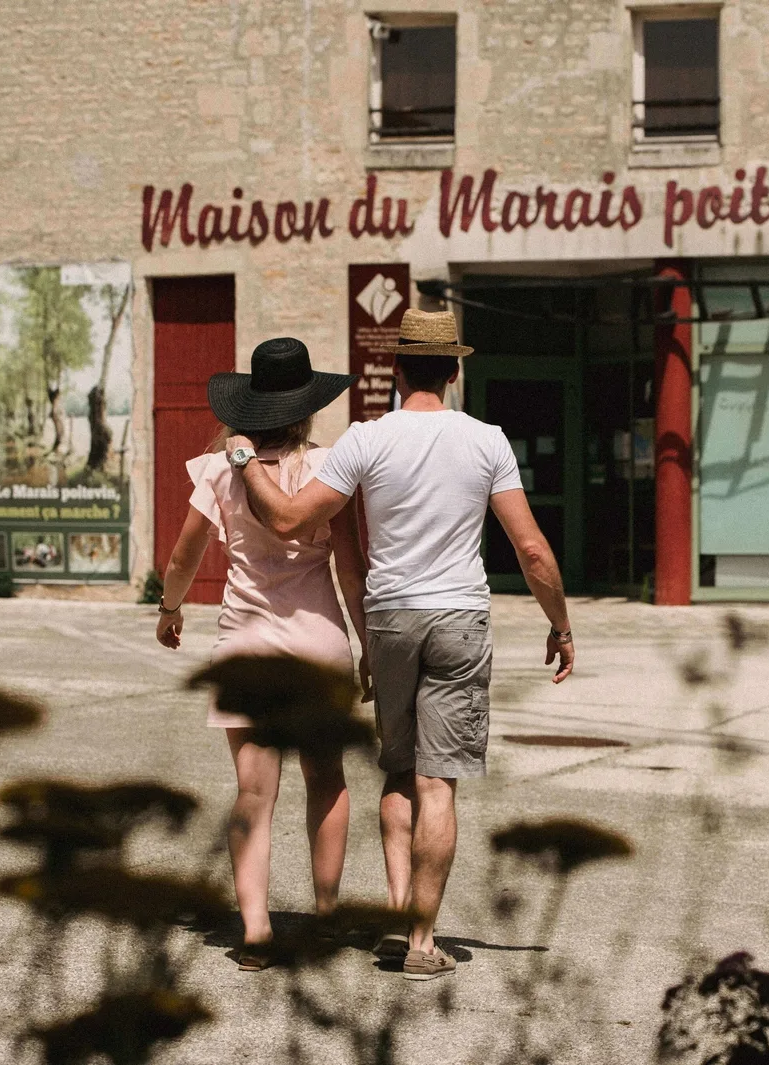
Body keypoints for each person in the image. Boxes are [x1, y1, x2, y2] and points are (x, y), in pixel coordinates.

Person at [226, 307, 574, 982]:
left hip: (389, 618)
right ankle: (420, 940)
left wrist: (244, 456)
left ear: (397, 368)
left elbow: (291, 516)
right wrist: (560, 624)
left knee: (397, 770)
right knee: (436, 781)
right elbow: (531, 548)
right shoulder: (487, 440)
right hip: (458, 618)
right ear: (453, 369)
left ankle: (394, 914)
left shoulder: (366, 439)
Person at [154, 336, 371, 972]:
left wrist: (171, 609)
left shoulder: (220, 470)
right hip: (319, 644)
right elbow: (353, 571)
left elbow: (182, 558)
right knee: (326, 780)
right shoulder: (331, 470)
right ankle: (328, 918)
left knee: (255, 792)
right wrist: (364, 644)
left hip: (246, 645)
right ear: (307, 408)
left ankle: (254, 930)